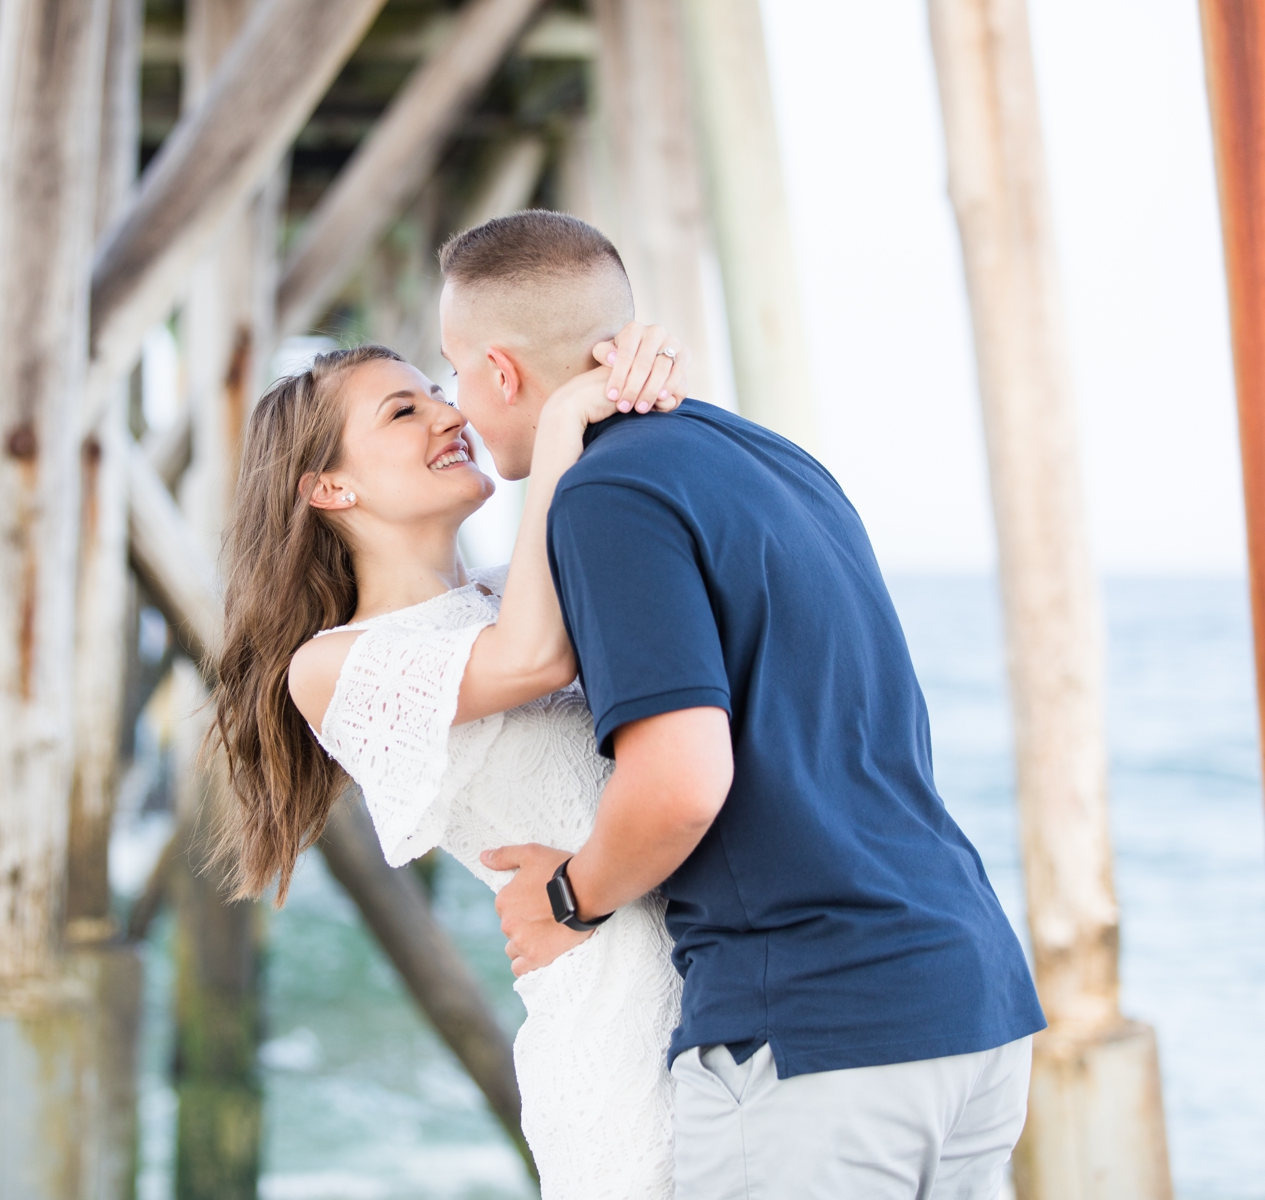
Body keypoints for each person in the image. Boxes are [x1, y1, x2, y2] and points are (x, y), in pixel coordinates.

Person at [447, 211, 1047, 1199]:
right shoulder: (775, 461)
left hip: (818, 1031)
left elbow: (683, 779)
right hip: (970, 1000)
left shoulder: (606, 496)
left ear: (502, 374)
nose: (455, 400)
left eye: (455, 368)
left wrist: (569, 897)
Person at [211, 301, 690, 1195]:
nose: (452, 414)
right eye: (404, 411)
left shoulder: (519, 590)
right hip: (615, 1048)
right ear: (330, 488)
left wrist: (643, 368)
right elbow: (535, 656)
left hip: (725, 1008)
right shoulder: (334, 666)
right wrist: (556, 427)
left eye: (440, 392)